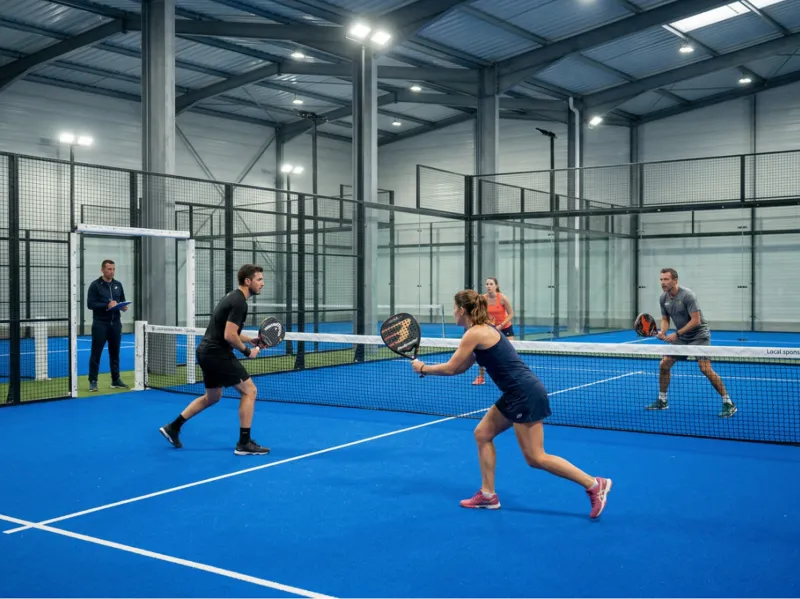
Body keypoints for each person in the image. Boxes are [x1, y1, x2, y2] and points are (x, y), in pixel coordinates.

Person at [411, 289, 612, 519]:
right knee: (482, 433)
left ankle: (594, 484)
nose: (454, 312)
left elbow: (451, 367)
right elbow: (463, 367)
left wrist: (424, 368)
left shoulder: (475, 333)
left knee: (536, 457)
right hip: (516, 393)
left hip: (524, 394)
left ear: (463, 310)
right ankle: (488, 496)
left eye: (455, 308)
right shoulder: (479, 330)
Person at [159, 264, 270, 455]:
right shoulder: (240, 302)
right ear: (247, 281)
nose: (262, 283)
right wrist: (248, 352)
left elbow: (229, 331)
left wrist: (249, 339)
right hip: (217, 354)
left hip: (205, 352)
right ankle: (244, 443)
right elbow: (229, 336)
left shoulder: (232, 296)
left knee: (213, 397)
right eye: (259, 279)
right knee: (250, 391)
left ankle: (173, 427)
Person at [647, 268, 737, 418]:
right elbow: (665, 319)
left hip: (699, 335)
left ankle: (728, 402)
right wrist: (663, 332)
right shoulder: (663, 298)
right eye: (661, 279)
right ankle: (662, 401)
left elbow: (696, 320)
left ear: (675, 280)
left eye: (666, 279)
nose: (662, 282)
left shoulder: (688, 295)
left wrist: (676, 334)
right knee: (664, 364)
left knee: (705, 368)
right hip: (682, 338)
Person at [86, 259, 128, 392]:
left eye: (113, 269)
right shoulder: (95, 285)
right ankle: (93, 381)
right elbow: (90, 304)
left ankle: (115, 379)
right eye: (109, 269)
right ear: (103, 270)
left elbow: (121, 301)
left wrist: (123, 307)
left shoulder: (118, 284)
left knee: (115, 352)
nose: (112, 272)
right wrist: (106, 305)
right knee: (96, 353)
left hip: (115, 324)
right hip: (100, 324)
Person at [472, 277, 515, 386]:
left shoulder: (502, 298)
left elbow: (511, 314)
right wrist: (487, 323)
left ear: (496, 286)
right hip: (489, 328)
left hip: (505, 328)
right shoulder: (482, 299)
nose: (488, 286)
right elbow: (479, 313)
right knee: (480, 351)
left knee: (510, 352)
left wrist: (501, 325)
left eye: (491, 284)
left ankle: (511, 375)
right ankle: (481, 377)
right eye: (487, 284)